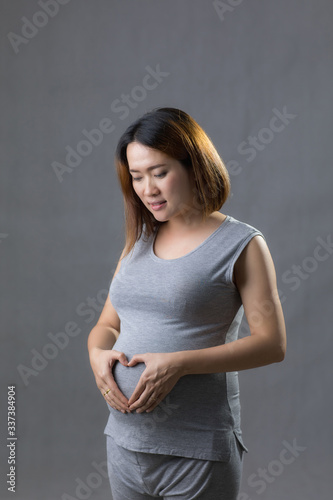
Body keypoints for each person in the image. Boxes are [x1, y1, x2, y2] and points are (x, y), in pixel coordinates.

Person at [87, 107, 287, 500]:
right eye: (137, 176)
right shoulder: (138, 241)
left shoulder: (241, 245)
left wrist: (179, 364)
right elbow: (109, 323)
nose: (148, 189)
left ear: (194, 165)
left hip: (197, 453)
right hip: (125, 446)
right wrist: (95, 352)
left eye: (159, 172)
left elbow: (272, 343)